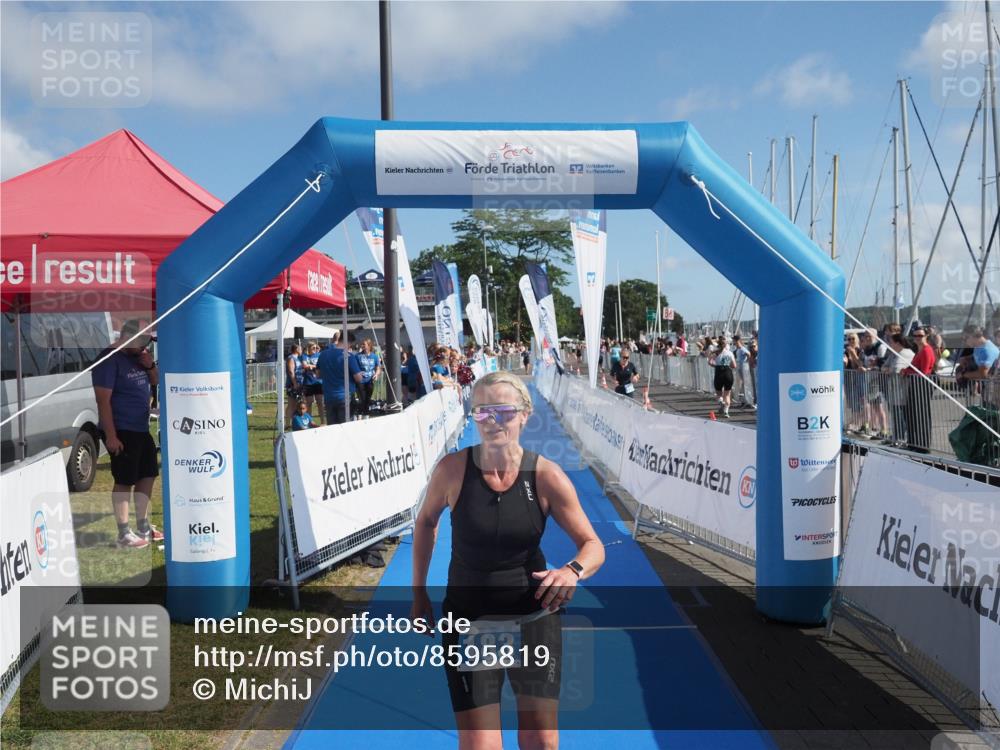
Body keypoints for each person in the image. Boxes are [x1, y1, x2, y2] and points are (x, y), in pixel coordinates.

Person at [410, 371, 605, 747]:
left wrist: (571, 571)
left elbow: (592, 544)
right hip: (469, 618)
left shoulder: (546, 475)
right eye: (482, 412)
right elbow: (426, 522)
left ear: (525, 414)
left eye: (503, 411)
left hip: (533, 615)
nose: (493, 421)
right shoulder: (452, 470)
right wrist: (418, 593)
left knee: (541, 740)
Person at [92, 319, 163, 549]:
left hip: (141, 428)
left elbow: (156, 381)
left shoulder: (138, 357)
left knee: (148, 474)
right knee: (124, 479)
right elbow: (103, 401)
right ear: (129, 337)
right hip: (121, 429)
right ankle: (123, 533)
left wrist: (150, 365)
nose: (146, 348)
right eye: (143, 342)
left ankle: (143, 524)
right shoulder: (108, 359)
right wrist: (111, 436)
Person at [316, 333, 363, 425]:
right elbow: (358, 378)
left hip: (329, 396)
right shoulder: (348, 356)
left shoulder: (323, 354)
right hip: (345, 397)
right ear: (349, 343)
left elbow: (318, 374)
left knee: (332, 427)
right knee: (346, 427)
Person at [902, 328, 936, 454]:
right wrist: (907, 371)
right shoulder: (919, 350)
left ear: (926, 336)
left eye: (920, 335)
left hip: (921, 385)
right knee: (913, 414)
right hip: (915, 384)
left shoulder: (927, 350)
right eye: (915, 335)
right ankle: (914, 442)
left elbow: (924, 372)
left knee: (920, 414)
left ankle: (923, 445)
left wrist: (906, 371)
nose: (917, 337)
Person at [881, 333, 914, 446]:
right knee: (895, 416)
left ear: (897, 343)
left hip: (902, 390)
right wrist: (887, 369)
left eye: (890, 342)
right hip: (894, 390)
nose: (889, 344)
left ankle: (901, 439)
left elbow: (896, 369)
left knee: (901, 417)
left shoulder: (906, 353)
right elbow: (884, 367)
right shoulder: (894, 354)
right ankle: (896, 438)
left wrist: (888, 369)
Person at [300, 342, 325, 425]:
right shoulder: (304, 356)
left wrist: (311, 366)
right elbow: (304, 365)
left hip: (318, 382)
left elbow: (320, 365)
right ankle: (310, 422)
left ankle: (323, 421)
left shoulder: (319, 355)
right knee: (309, 403)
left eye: (316, 348)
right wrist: (312, 366)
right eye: (313, 348)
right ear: (309, 348)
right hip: (308, 382)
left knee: (320, 402)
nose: (315, 350)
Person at [712, 337, 736, 417]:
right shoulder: (730, 353)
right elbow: (734, 365)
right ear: (726, 345)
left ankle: (721, 401)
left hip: (719, 372)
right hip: (728, 373)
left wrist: (715, 365)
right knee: (727, 394)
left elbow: (710, 362)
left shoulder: (716, 353)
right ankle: (726, 411)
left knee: (719, 393)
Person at [356, 339, 382, 415]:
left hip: (370, 380)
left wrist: (376, 374)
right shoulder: (358, 356)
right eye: (362, 344)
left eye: (364, 344)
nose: (362, 346)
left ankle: (364, 412)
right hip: (361, 380)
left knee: (368, 398)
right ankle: (364, 413)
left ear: (369, 346)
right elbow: (354, 367)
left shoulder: (374, 356)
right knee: (362, 398)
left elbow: (378, 367)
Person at [285, 344, 304, 428]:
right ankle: (288, 423)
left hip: (299, 383)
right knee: (291, 404)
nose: (302, 350)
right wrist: (295, 383)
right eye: (300, 348)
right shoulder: (291, 358)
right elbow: (291, 371)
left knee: (297, 404)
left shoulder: (298, 358)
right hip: (292, 384)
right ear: (296, 349)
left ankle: (294, 422)